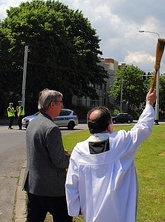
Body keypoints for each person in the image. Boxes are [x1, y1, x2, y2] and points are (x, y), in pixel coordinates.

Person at [65, 87, 157, 222]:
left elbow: (71, 183)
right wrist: (149, 104)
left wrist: (74, 208)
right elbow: (143, 127)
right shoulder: (120, 142)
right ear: (109, 126)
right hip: (119, 214)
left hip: (92, 214)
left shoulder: (79, 150)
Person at [22, 89, 72, 222]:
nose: (62, 106)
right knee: (64, 218)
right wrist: (72, 158)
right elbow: (60, 162)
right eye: (61, 102)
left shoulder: (33, 123)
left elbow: (39, 151)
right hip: (52, 188)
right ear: (52, 105)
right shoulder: (52, 128)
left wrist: (60, 153)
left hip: (33, 185)